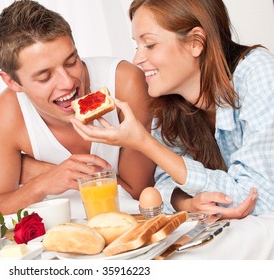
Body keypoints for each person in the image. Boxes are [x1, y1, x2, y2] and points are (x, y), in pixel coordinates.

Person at [71, 0, 274, 219]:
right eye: (136, 46)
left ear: (196, 42)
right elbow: (165, 184)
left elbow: (258, 200)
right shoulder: (170, 103)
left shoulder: (259, 75)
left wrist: (143, 142)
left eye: (149, 45)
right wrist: (188, 202)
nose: (137, 59)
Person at [0, 0, 155, 218]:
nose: (68, 82)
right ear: (12, 82)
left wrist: (33, 170)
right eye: (45, 76)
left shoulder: (125, 83)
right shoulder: (9, 113)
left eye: (71, 62)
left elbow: (139, 194)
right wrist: (44, 182)